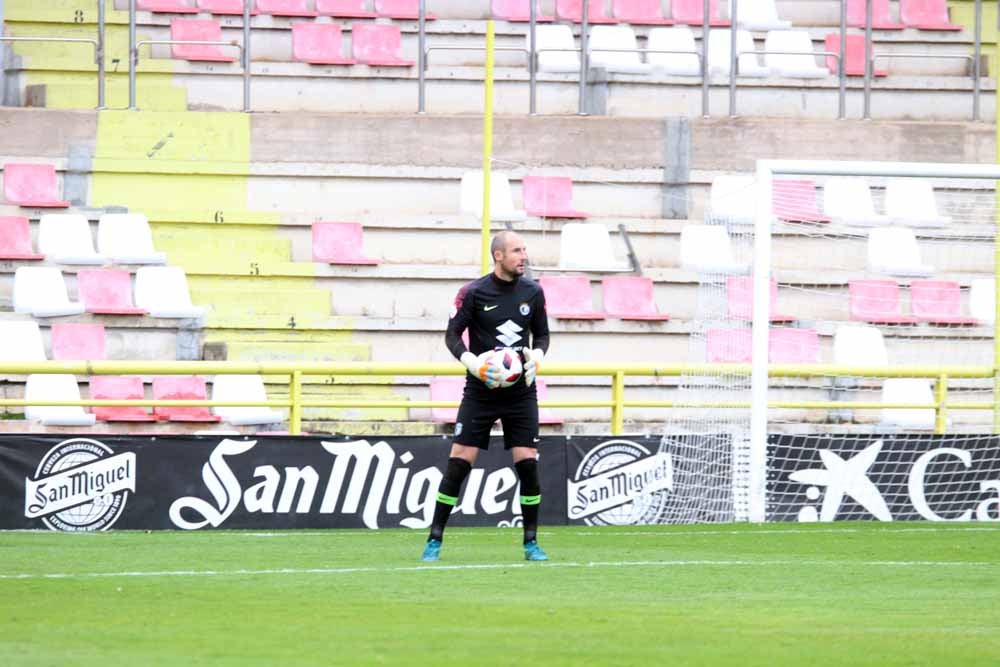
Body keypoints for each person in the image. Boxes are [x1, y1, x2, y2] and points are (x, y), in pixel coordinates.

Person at [422, 230, 551, 562]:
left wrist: (536, 358)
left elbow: (543, 336)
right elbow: (452, 335)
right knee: (459, 463)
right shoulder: (473, 292)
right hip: (480, 390)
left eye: (524, 250)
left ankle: (531, 543)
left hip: (520, 392)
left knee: (528, 466)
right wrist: (473, 363)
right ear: (498, 255)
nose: (524, 256)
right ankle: (434, 540)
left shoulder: (533, 292)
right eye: (517, 251)